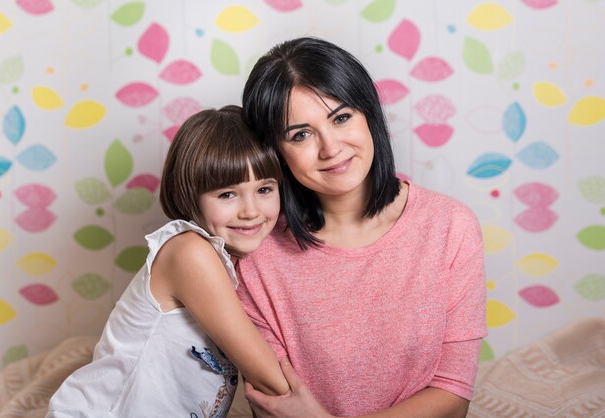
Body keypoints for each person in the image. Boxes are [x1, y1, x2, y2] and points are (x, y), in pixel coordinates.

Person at [236, 37, 487, 417]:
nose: (331, 148)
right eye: (300, 134)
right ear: (276, 152)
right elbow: (273, 406)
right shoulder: (258, 254)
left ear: (369, 114)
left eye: (341, 118)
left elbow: (452, 397)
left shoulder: (450, 227)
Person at [47, 105, 289, 417]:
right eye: (228, 195)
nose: (251, 211)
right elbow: (266, 376)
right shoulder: (188, 252)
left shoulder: (234, 260)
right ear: (191, 196)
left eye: (265, 189)